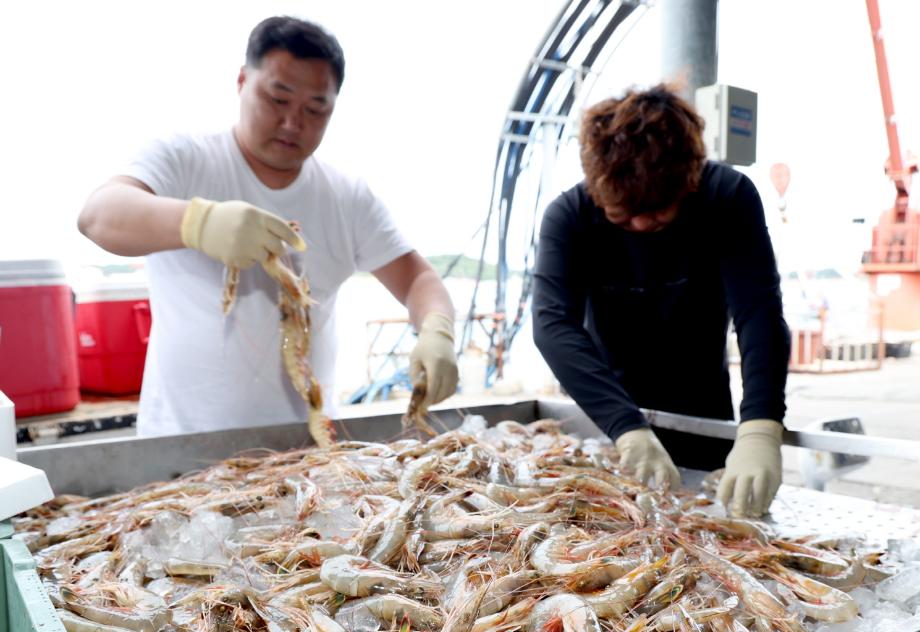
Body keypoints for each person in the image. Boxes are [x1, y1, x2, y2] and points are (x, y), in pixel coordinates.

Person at [78, 16, 458, 437]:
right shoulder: (185, 159)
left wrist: (437, 328)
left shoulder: (347, 197)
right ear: (242, 81)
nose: (294, 122)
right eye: (278, 99)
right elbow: (99, 216)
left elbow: (417, 278)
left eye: (316, 109)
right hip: (178, 445)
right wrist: (198, 222)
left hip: (307, 450)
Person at [532, 84, 791, 517]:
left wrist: (761, 426)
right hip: (606, 418)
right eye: (621, 214)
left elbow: (758, 314)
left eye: (656, 213)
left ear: (690, 180)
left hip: (703, 415)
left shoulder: (727, 197)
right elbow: (553, 325)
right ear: (597, 189)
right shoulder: (569, 216)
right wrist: (626, 427)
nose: (639, 223)